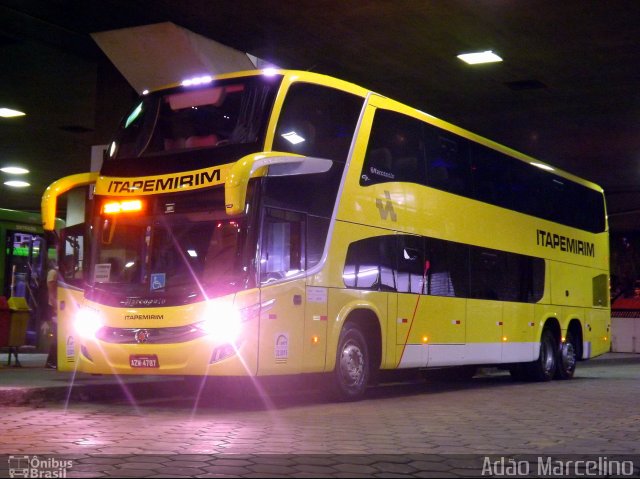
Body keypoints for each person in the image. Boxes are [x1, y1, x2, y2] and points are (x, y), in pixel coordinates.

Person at [45, 260, 58, 369]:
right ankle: (51, 361)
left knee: (58, 334)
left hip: (57, 307)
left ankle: (53, 360)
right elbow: (52, 293)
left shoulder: (56, 273)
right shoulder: (53, 273)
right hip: (54, 307)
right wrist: (55, 307)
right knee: (56, 334)